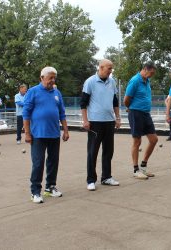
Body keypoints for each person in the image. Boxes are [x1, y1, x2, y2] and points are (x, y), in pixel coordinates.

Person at [23, 66, 69, 204]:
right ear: (42, 78)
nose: (53, 80)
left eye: (54, 78)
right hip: (37, 134)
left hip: (54, 133)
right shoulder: (33, 92)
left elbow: (62, 113)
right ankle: (35, 191)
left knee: (53, 162)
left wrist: (65, 130)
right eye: (50, 78)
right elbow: (26, 113)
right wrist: (27, 133)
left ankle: (50, 187)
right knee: (38, 163)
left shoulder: (56, 92)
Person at [80, 59, 121, 191]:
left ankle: (107, 177)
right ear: (101, 67)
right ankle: (91, 180)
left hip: (109, 121)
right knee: (93, 152)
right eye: (109, 68)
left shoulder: (112, 81)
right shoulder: (90, 82)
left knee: (108, 151)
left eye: (111, 69)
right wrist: (85, 120)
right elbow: (83, 103)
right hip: (95, 122)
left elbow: (115, 101)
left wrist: (118, 117)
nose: (111, 71)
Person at [124, 62, 158, 179]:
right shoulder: (135, 80)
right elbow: (126, 99)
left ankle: (143, 167)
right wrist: (130, 108)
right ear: (145, 69)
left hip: (145, 114)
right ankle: (135, 170)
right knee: (137, 142)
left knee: (154, 139)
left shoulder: (147, 81)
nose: (152, 75)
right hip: (136, 113)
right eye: (151, 73)